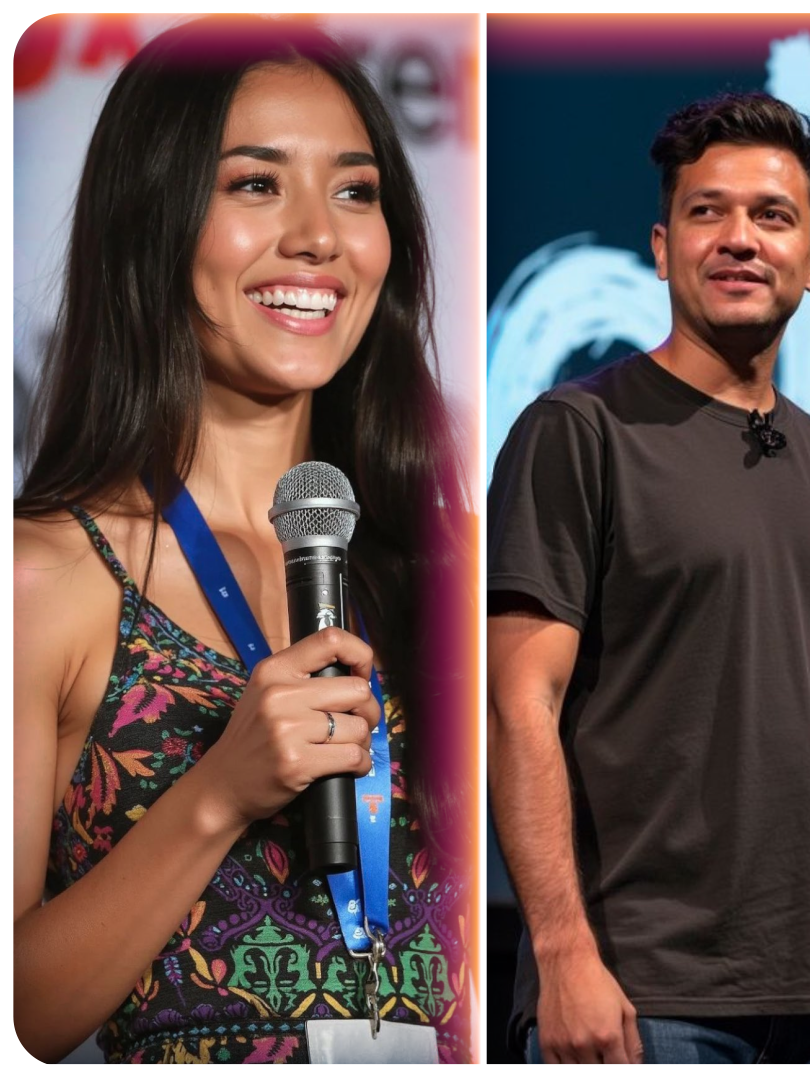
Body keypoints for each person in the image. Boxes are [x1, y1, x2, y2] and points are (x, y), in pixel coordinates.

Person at [12, 16, 474, 1065]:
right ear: (155, 220)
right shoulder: (49, 573)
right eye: (256, 185)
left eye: (356, 191)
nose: (319, 235)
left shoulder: (455, 569)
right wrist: (218, 794)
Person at [484, 91, 810, 1066]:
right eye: (709, 211)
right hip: (643, 999)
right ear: (661, 248)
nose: (740, 238)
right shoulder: (577, 434)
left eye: (772, 216)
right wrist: (563, 954)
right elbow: (519, 704)